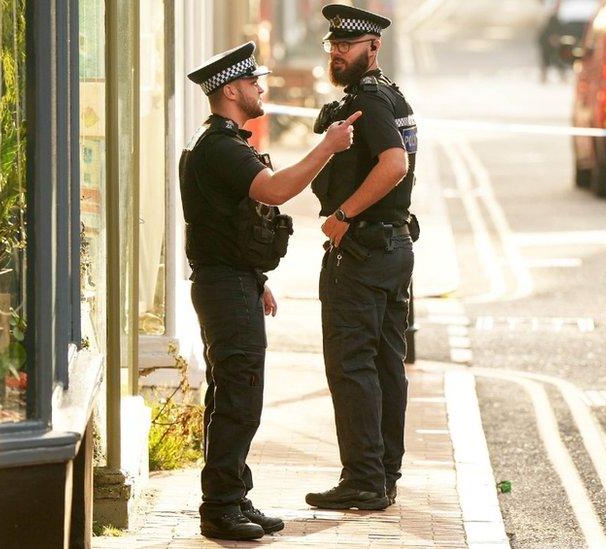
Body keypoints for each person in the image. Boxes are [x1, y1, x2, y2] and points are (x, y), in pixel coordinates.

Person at [181, 41, 360, 541]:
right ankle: (219, 507)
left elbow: (228, 223)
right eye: (253, 82)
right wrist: (328, 145)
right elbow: (276, 191)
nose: (261, 88)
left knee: (233, 395)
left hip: (233, 283)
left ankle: (235, 496)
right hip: (223, 287)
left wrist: (257, 281)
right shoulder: (220, 148)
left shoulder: (221, 143)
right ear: (233, 89)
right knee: (239, 398)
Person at [305, 4, 418, 511]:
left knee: (352, 365)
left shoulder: (369, 103)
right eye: (333, 45)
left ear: (372, 47)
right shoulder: (390, 96)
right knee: (385, 363)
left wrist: (345, 215)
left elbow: (394, 164)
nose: (337, 53)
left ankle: (365, 479)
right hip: (391, 247)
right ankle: (383, 473)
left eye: (346, 46)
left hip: (366, 250)